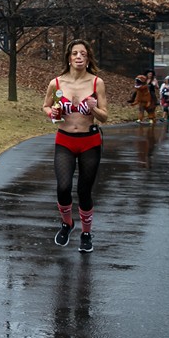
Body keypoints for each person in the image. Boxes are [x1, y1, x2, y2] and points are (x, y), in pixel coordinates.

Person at [43, 40, 109, 253]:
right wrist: (52, 113)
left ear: (88, 58)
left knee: (84, 190)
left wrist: (94, 109)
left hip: (90, 141)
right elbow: (46, 106)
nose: (79, 57)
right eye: (75, 53)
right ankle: (67, 223)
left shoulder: (97, 82)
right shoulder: (57, 83)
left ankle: (86, 233)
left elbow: (105, 116)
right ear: (69, 58)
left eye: (83, 53)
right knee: (63, 187)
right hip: (65, 140)